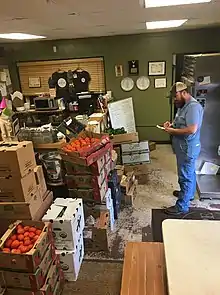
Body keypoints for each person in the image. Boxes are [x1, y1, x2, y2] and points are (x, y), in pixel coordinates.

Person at [163, 82, 204, 215]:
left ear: (184, 92)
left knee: (185, 176)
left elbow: (192, 129)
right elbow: (181, 122)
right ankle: (188, 194)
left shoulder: (193, 107)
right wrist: (171, 125)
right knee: (189, 172)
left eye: (176, 96)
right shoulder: (183, 106)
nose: (174, 99)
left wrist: (173, 132)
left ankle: (182, 206)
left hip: (188, 147)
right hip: (183, 147)